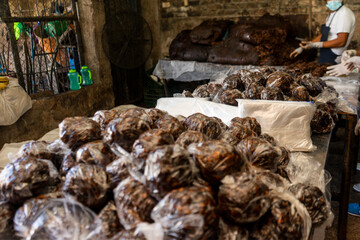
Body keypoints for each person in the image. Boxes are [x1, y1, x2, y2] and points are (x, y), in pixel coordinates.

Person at [290, 0, 355, 65]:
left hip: (335, 56)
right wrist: (305, 46)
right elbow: (324, 35)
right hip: (325, 53)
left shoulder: (344, 14)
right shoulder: (332, 15)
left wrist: (314, 45)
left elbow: (341, 42)